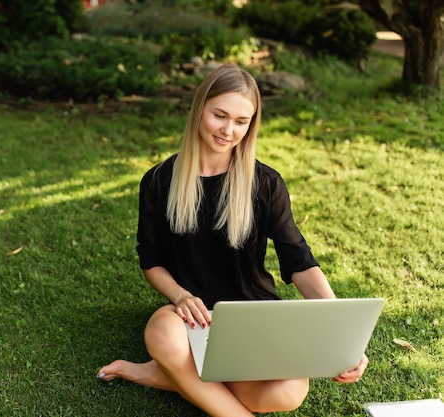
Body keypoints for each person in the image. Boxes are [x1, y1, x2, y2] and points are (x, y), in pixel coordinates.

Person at [96, 64, 368, 416]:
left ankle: (167, 373)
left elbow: (298, 258)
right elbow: (151, 261)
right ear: (199, 110)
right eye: (219, 115)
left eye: (241, 121)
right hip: (192, 319)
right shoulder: (159, 181)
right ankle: (183, 372)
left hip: (253, 317)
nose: (228, 130)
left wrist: (340, 334)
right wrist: (180, 296)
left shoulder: (265, 183)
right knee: (161, 333)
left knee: (287, 394)